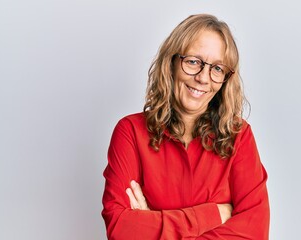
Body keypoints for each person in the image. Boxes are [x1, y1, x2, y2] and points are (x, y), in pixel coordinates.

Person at [102, 14, 270, 239]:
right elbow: (120, 229)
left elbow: (255, 233)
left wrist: (152, 223)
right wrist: (213, 214)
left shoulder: (239, 136)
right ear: (171, 62)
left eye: (217, 68)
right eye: (193, 62)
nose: (203, 78)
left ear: (225, 79)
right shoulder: (130, 132)